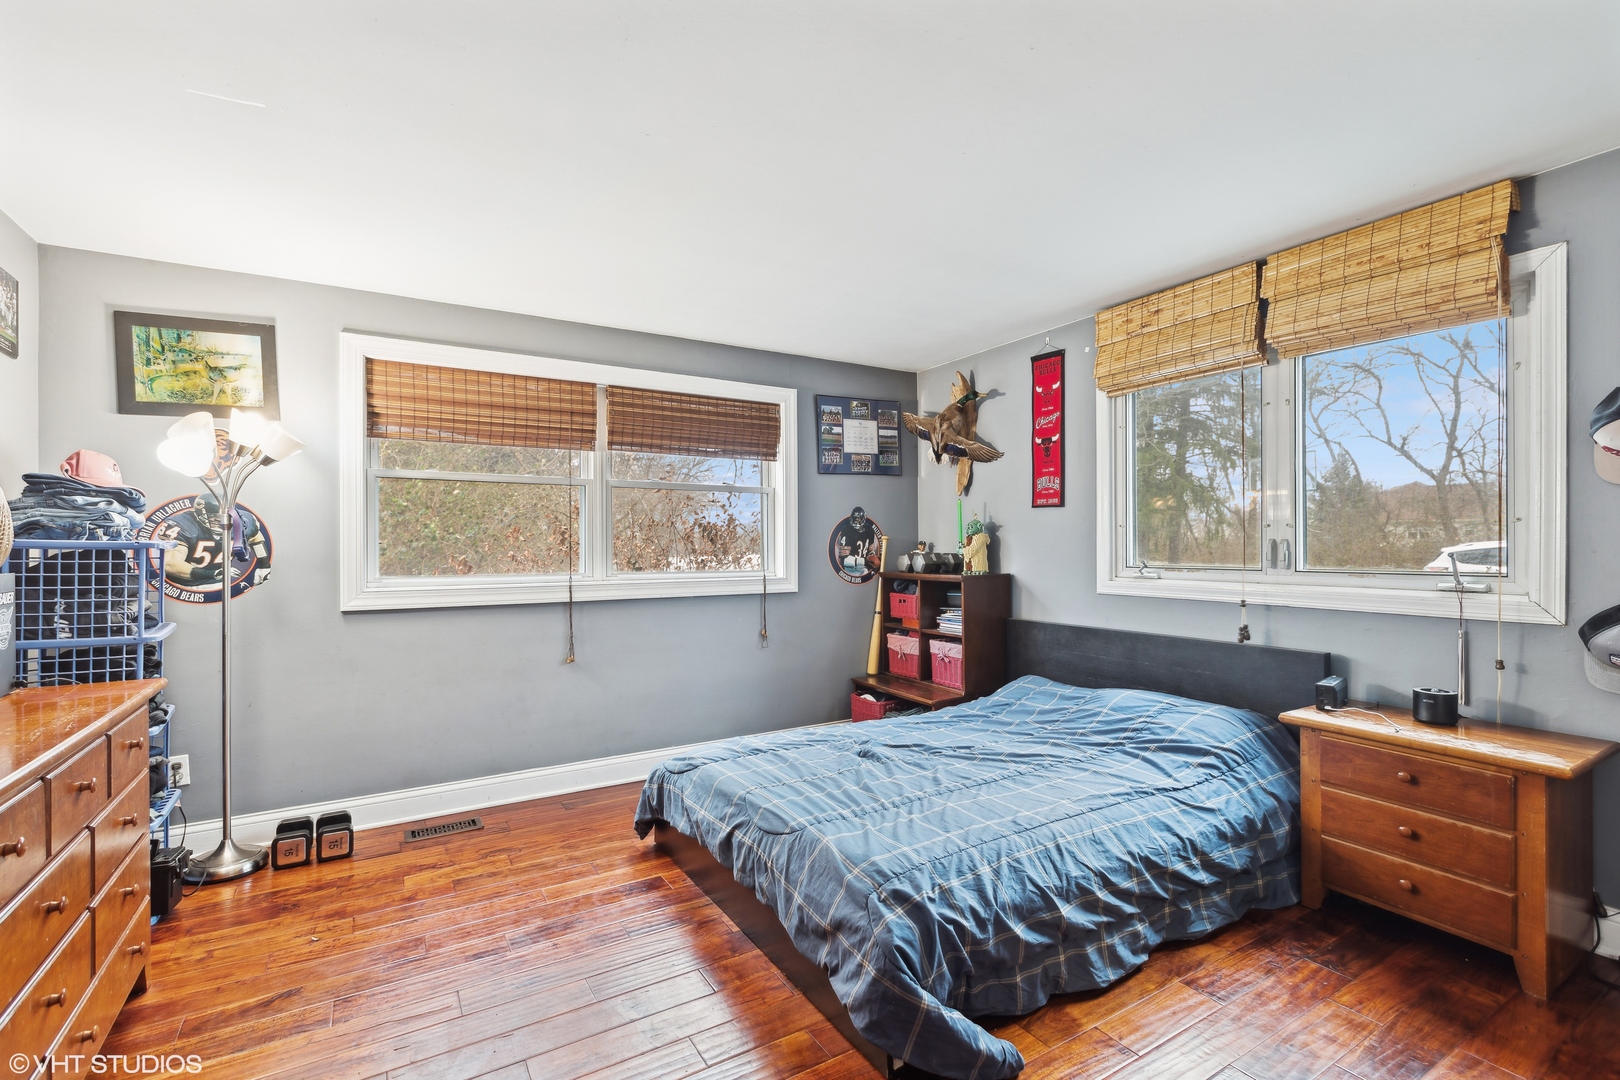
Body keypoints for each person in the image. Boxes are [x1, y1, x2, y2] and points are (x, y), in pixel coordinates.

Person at [835, 506, 882, 575]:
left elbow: (871, 552)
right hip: (850, 569)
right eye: (854, 518)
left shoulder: (869, 530)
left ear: (863, 519)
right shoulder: (847, 530)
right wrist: (864, 561)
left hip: (863, 569)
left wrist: (872, 558)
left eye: (858, 519)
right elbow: (844, 560)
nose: (856, 521)